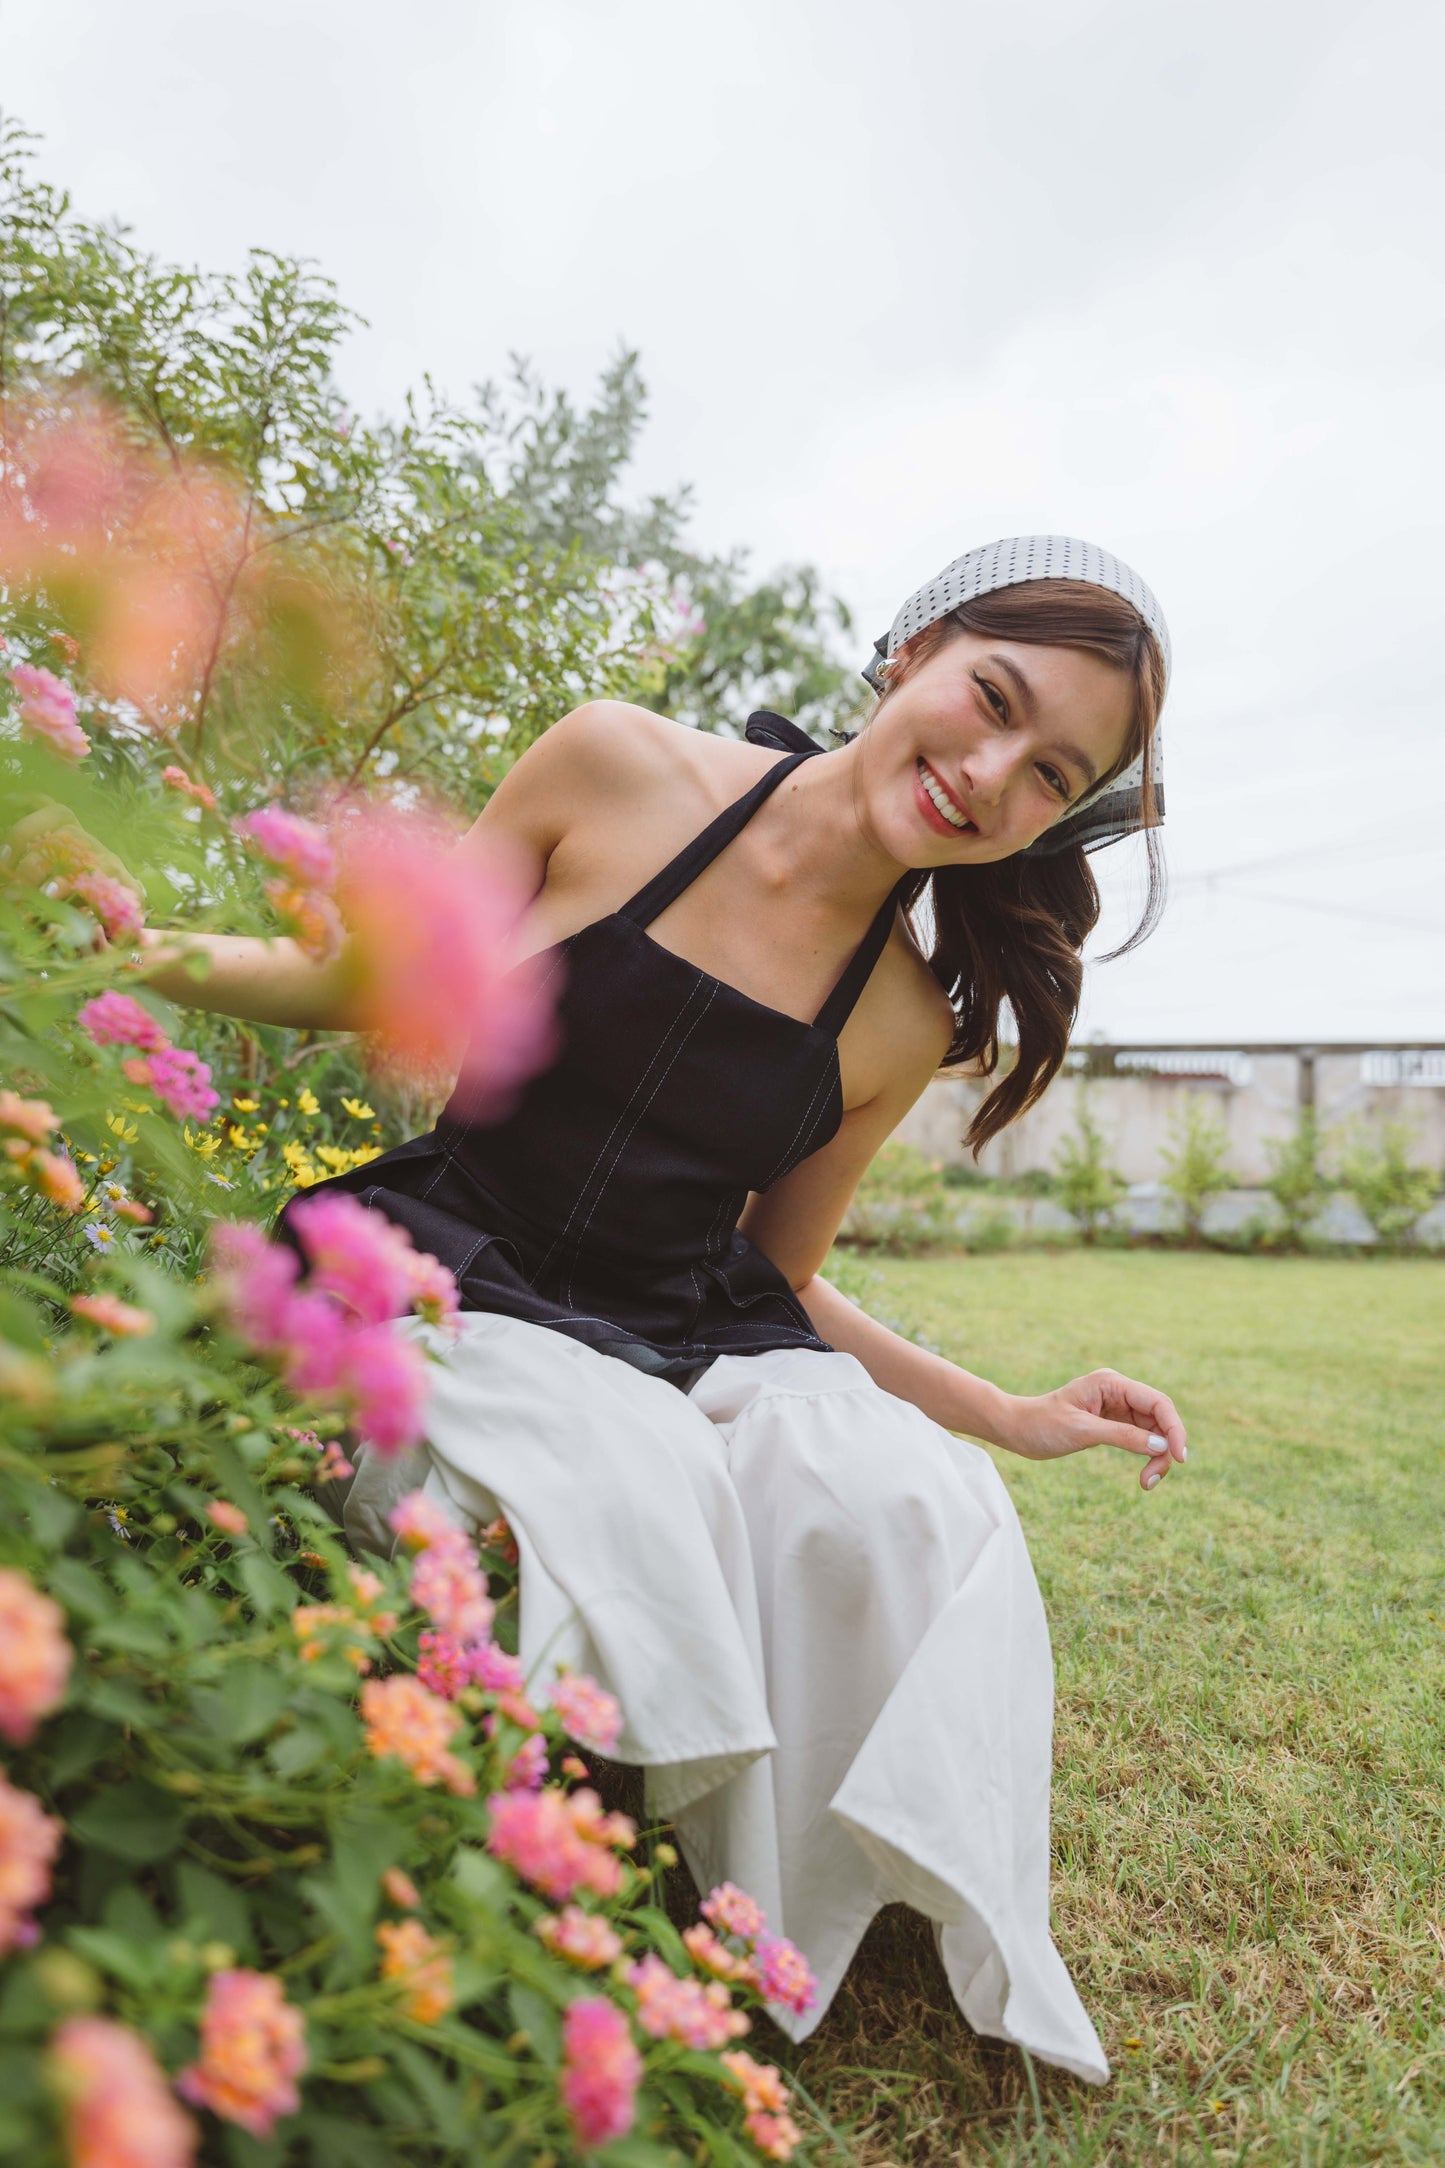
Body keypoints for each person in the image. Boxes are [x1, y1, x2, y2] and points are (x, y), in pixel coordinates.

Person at [141, 535, 1187, 2084]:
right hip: (464, 1256)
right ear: (908, 648)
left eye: (1050, 774)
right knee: (635, 1470)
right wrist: (126, 950)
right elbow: (372, 978)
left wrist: (1004, 1418)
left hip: (680, 1320)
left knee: (913, 1503)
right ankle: (585, 1852)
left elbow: (780, 1279)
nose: (989, 771)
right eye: (989, 697)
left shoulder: (901, 1020)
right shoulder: (615, 766)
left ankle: (816, 1898)